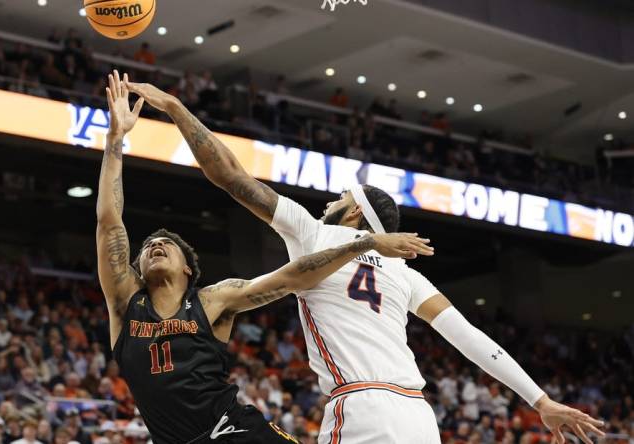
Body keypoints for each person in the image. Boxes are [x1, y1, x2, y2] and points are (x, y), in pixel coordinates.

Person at [124, 78, 608, 444]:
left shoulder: (313, 232)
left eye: (337, 197)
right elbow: (472, 340)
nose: (327, 202)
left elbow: (228, 176)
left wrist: (172, 106)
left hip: (360, 407)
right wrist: (540, 401)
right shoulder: (405, 272)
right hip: (419, 417)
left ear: (354, 210)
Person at [96, 71, 433, 444]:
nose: (155, 246)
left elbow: (290, 280)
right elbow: (110, 222)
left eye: (166, 244)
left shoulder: (213, 300)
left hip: (234, 432)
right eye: (147, 247)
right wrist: (115, 138)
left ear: (189, 268)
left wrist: (361, 244)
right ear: (137, 269)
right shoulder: (126, 302)